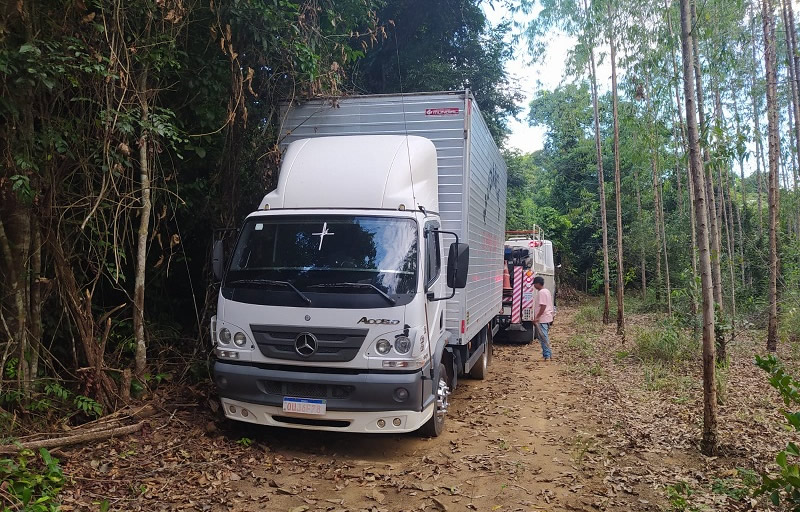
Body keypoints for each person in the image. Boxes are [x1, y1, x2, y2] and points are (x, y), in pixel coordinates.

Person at [532, 276, 554, 361]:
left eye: (534, 284)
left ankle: (547, 355)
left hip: (543, 318)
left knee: (543, 337)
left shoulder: (541, 293)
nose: (534, 286)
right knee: (543, 337)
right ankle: (547, 354)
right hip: (546, 317)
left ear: (538, 284)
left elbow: (543, 306)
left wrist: (537, 317)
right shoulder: (546, 291)